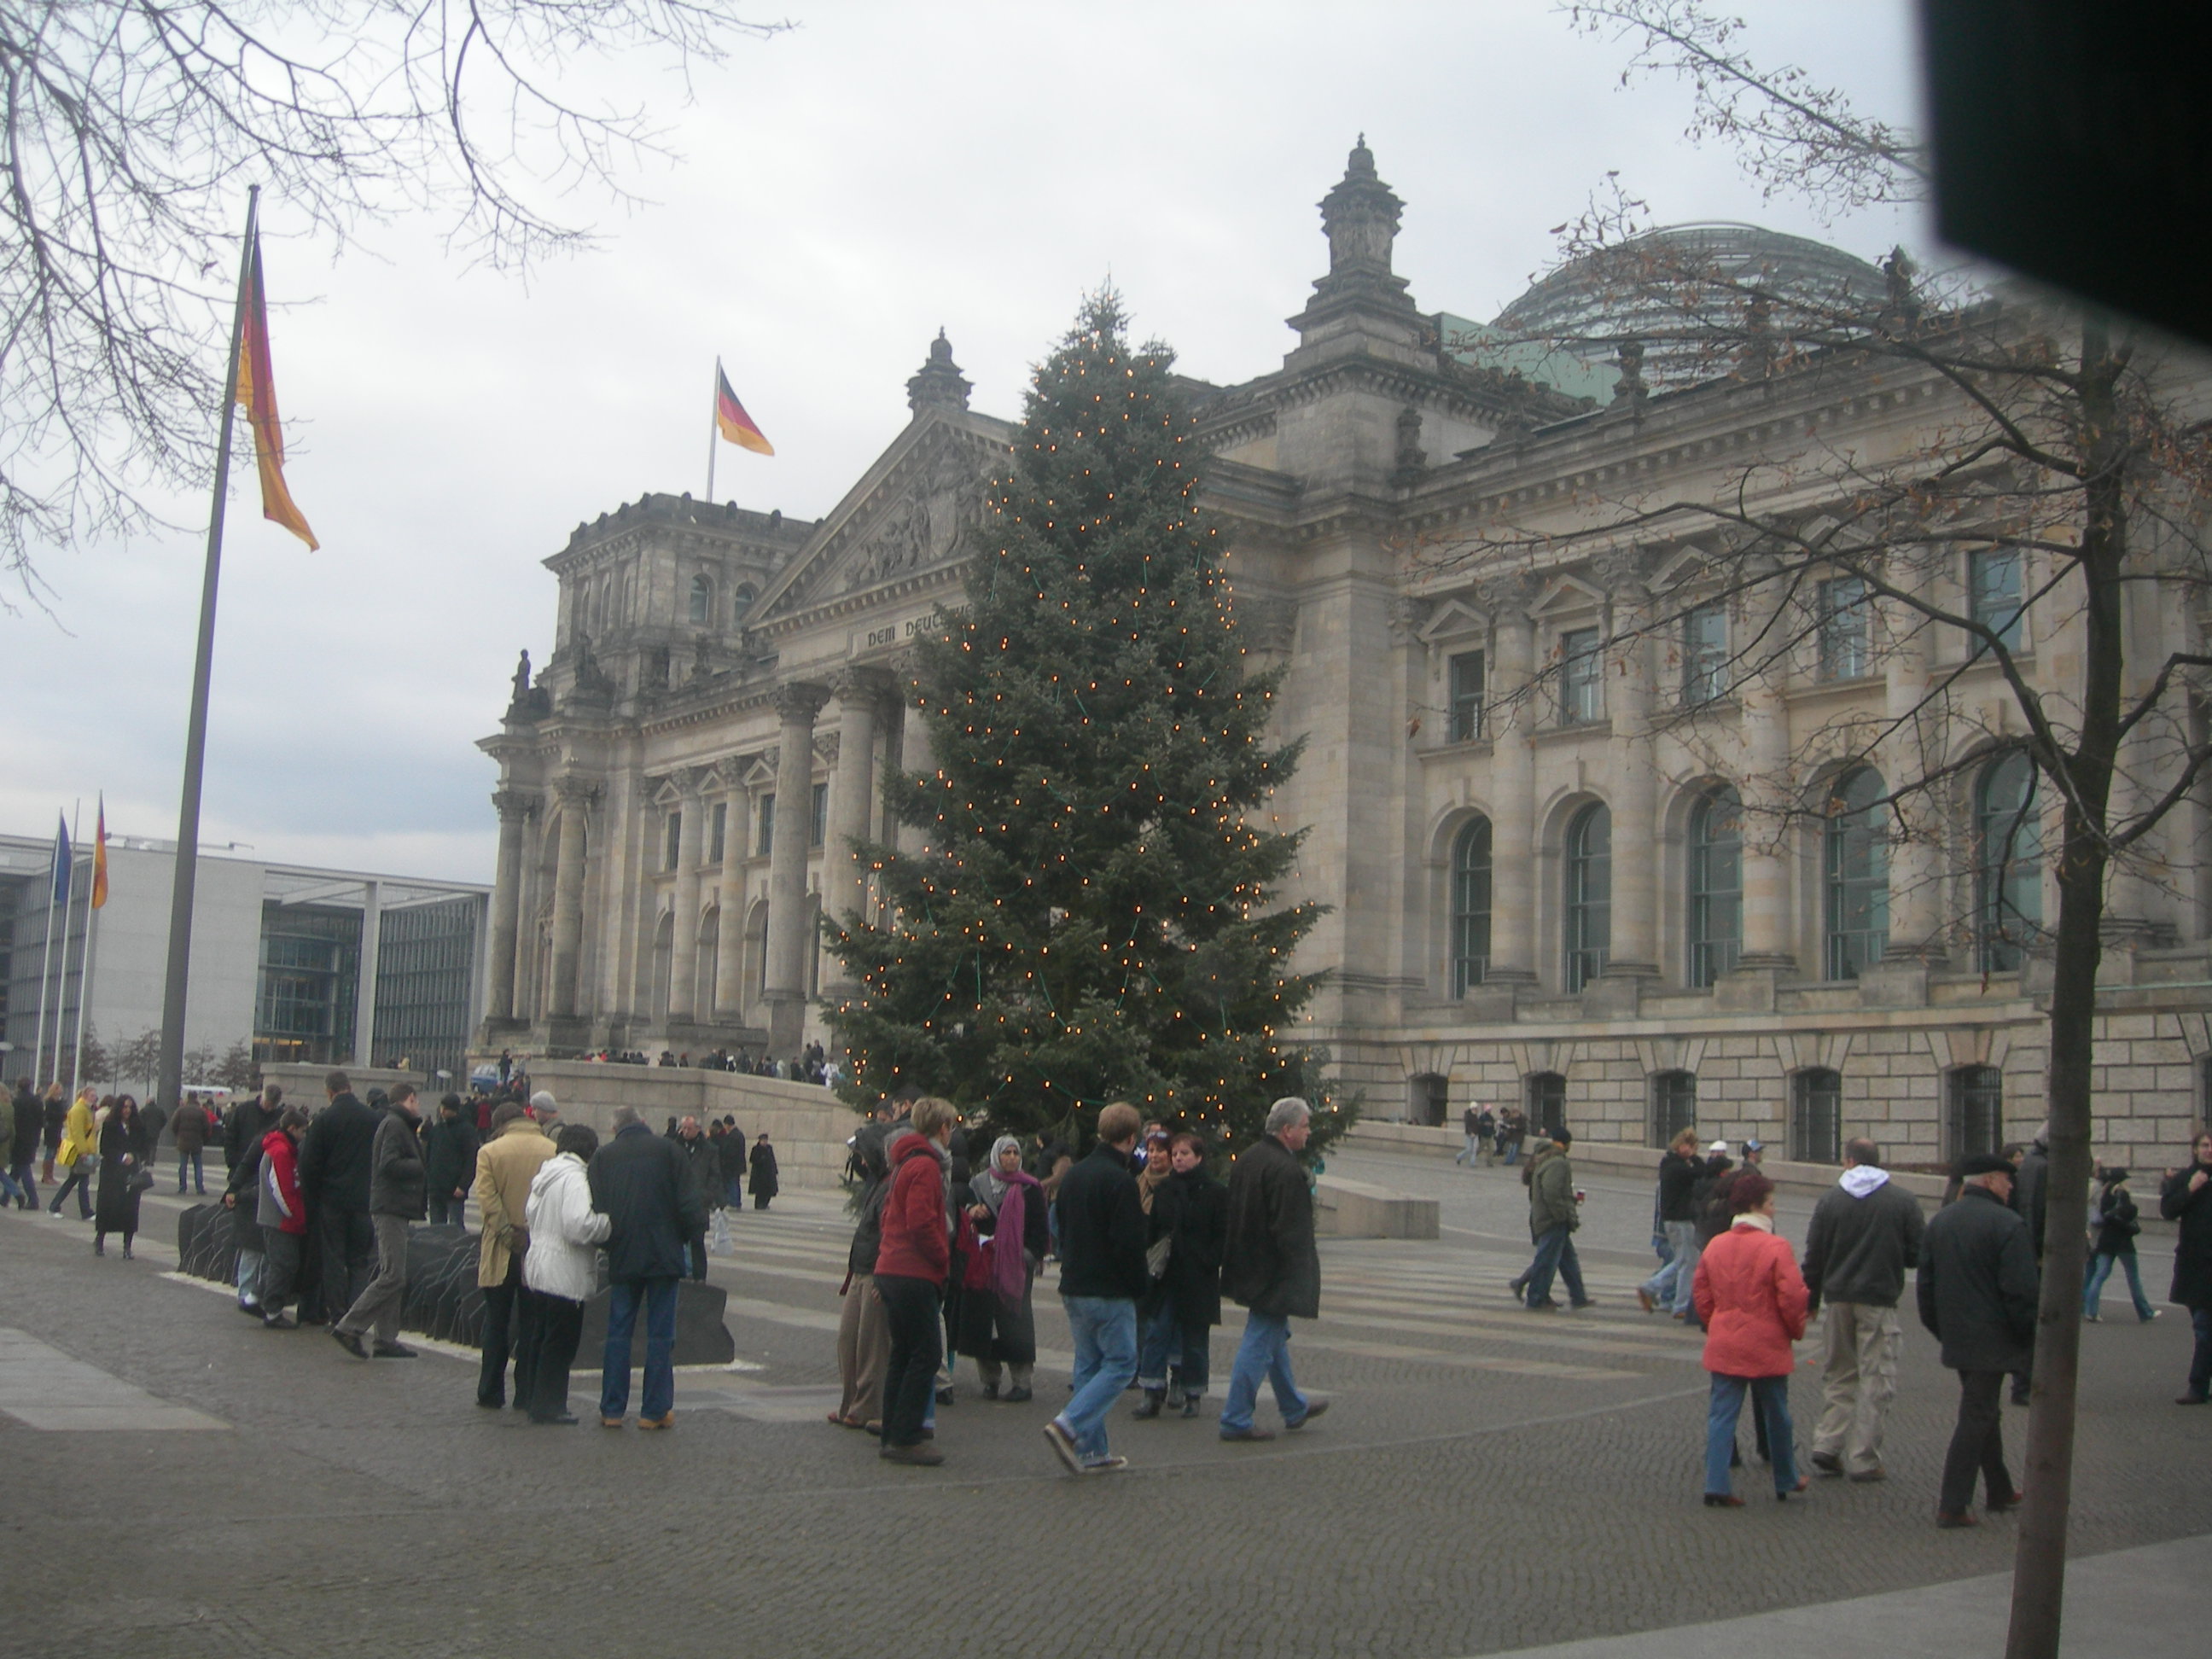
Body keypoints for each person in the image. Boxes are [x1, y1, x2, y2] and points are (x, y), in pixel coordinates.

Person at [1918, 1152, 2038, 1527]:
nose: (2011, 1186)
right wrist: (2025, 1338)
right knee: (1976, 1415)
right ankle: (1953, 1504)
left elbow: (1925, 1288)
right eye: (2006, 1178)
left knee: (1984, 1410)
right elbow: (2021, 1292)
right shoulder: (2008, 1224)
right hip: (1995, 1337)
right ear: (1989, 1180)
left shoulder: (1941, 1221)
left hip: (1957, 1336)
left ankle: (2000, 1489)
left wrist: (1943, 1330)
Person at [1800, 1138, 1924, 1482]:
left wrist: (1811, 1300)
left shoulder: (1830, 1200)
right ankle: (1863, 1457)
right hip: (1878, 1298)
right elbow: (1918, 1253)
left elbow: (1814, 1255)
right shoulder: (1902, 1200)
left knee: (1839, 1372)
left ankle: (1828, 1442)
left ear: (1849, 1161)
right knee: (1876, 1377)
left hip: (1838, 1297)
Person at [1693, 1169, 1810, 1505]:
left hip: (1726, 1339)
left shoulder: (1716, 1244)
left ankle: (1716, 1484)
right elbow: (1792, 1296)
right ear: (1757, 1206)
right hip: (1766, 1340)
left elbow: (1701, 1291)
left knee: (1721, 1415)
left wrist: (1716, 1322)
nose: (1774, 1209)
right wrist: (1794, 1330)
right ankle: (1785, 1476)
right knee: (1777, 1414)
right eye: (1771, 1203)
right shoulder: (1776, 1247)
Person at [1045, 1101, 1149, 1475]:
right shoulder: (1120, 1181)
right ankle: (1069, 1424)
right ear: (1131, 1138)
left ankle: (1092, 1451)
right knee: (1121, 1364)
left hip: (1075, 1283)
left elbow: (1058, 1225)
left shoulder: (1075, 1175)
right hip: (1109, 1288)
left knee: (1088, 1366)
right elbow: (1128, 1243)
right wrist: (1140, 1285)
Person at [589, 1104, 707, 1429]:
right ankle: (653, 1411)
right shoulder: (669, 1151)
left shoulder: (603, 1157)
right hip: (664, 1253)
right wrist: (686, 1237)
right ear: (643, 1122)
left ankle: (612, 1410)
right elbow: (689, 1202)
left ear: (615, 1129)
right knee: (660, 1334)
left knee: (618, 1332)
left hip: (624, 1253)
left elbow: (598, 1209)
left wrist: (611, 1245)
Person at [1219, 1097, 1328, 1442]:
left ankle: (1293, 1406)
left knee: (1273, 1338)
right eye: (1305, 1126)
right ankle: (1236, 1417)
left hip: (1248, 1262)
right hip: (1273, 1271)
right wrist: (1299, 1275)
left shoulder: (1249, 1158)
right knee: (1260, 1340)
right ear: (1287, 1130)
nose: (1308, 1132)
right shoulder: (1286, 1171)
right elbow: (1291, 1231)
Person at [875, 1097, 958, 1466]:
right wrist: (942, 1257)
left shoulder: (904, 1162)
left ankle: (893, 1431)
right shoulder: (925, 1166)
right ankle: (906, 1437)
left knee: (903, 1353)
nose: (951, 1133)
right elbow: (922, 1222)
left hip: (892, 1267)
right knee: (926, 1354)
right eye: (951, 1126)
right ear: (942, 1128)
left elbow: (888, 1216)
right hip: (913, 1271)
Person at [521, 1124, 610, 1424]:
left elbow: (530, 1215)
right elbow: (578, 1225)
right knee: (560, 1342)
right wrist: (607, 1224)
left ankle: (532, 1397)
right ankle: (550, 1405)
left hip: (539, 1264)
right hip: (564, 1269)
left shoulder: (546, 1175)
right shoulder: (575, 1179)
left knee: (540, 1336)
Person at [1136, 1130, 1227, 1418]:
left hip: (1198, 1277)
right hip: (1166, 1275)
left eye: (1184, 1154)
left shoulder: (1215, 1192)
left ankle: (1192, 1393)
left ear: (1198, 1157)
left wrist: (1207, 1260)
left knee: (1195, 1340)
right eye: (1175, 1154)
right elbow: (1153, 1231)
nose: (1178, 1159)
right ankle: (1152, 1391)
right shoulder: (1165, 1189)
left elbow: (1222, 1236)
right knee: (1156, 1332)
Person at [331, 1086, 427, 1359]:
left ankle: (385, 1339)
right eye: (416, 1101)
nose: (418, 1106)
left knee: (393, 1274)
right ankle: (349, 1327)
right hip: (390, 1207)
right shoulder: (395, 1125)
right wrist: (419, 1164)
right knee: (393, 1275)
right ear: (409, 1099)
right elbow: (389, 1164)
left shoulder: (398, 1124)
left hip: (394, 1206)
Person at [474, 1100, 556, 1409]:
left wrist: (508, 1233)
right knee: (532, 1324)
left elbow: (488, 1202)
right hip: (538, 1248)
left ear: (500, 1125)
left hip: (500, 1249)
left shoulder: (489, 1152)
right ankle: (527, 1392)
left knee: (496, 1322)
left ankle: (490, 1391)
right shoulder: (553, 1150)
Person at [958, 1133, 1048, 1402]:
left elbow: (1040, 1232)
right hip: (983, 1263)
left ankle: (1022, 1382)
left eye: (1015, 1153)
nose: (1011, 1158)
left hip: (1015, 1267)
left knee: (1016, 1321)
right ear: (996, 1156)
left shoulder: (1030, 1188)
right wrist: (971, 1210)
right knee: (984, 1320)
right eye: (1006, 1153)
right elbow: (963, 1212)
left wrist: (1025, 1257)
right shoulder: (978, 1183)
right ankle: (990, 1380)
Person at [830, 1105, 901, 1432]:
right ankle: (850, 1402)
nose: (858, 1161)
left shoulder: (889, 1184)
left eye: (861, 1155)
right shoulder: (877, 1182)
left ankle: (867, 1407)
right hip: (860, 1268)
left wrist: (884, 1277)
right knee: (848, 1340)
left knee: (871, 1346)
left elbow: (890, 1233)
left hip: (876, 1271)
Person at [298, 1071, 380, 1321]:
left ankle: (337, 1314)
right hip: (364, 1199)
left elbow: (309, 1164)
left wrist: (314, 1196)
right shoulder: (373, 1118)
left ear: (329, 1092)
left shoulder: (324, 1119)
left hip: (332, 1200)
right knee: (359, 1261)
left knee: (333, 1258)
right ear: (350, 1087)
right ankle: (357, 1313)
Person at [1516, 1128, 1592, 1312]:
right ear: (1567, 1143)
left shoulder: (1545, 1157)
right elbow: (1551, 1191)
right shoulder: (1558, 1162)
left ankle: (1579, 1297)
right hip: (1552, 1220)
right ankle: (1535, 1299)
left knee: (1568, 1260)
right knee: (1546, 1261)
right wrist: (1561, 1215)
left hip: (1546, 1216)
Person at [2161, 1127, 2212, 1405]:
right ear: (2195, 1149)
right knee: (2202, 1326)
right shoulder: (2185, 1178)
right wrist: (2190, 1189)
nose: (2209, 1150)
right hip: (2195, 1265)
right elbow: (2168, 1210)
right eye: (2205, 1145)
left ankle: (2198, 1386)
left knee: (2204, 1329)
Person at [1638, 1127, 1707, 1318]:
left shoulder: (1669, 1163)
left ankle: (1652, 1288)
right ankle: (1679, 1305)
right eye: (1690, 1146)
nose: (1692, 1150)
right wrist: (1694, 1158)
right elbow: (1701, 1172)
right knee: (1688, 1263)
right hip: (1681, 1220)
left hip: (1674, 1221)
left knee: (1683, 1260)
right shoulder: (1677, 1168)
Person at [255, 1108, 311, 1328]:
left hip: (279, 1218)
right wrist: (296, 1216)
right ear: (292, 1128)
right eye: (302, 1131)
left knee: (278, 1263)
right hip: (280, 1219)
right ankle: (272, 1310)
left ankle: (255, 1298)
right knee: (284, 1264)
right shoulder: (280, 1152)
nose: (304, 1136)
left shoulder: (281, 1149)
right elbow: (282, 1190)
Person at [2082, 1167, 2158, 1324]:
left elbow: (2105, 1216)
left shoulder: (2105, 1194)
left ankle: (2090, 1311)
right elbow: (2127, 1213)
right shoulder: (2121, 1194)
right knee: (2133, 1277)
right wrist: (2133, 1211)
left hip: (2106, 1240)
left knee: (2099, 1275)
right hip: (2123, 1241)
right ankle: (2145, 1312)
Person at [91, 1095, 151, 1257]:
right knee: (107, 1206)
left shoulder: (138, 1126)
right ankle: (100, 1240)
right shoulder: (110, 1124)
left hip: (131, 1172)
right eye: (124, 1107)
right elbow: (104, 1148)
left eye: (130, 1107)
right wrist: (121, 1156)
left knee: (130, 1209)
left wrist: (136, 1155)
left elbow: (144, 1147)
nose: (127, 1110)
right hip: (112, 1171)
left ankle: (127, 1246)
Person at [422, 1093, 479, 1226]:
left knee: (455, 1227)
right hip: (436, 1188)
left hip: (455, 1189)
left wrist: (463, 1185)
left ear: (454, 1110)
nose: (442, 1111)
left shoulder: (467, 1130)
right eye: (442, 1108)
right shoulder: (436, 1130)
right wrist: (428, 1181)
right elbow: (428, 1157)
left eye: (445, 1109)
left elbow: (471, 1160)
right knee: (436, 1228)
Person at [670, 1115, 713, 1278]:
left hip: (698, 1204)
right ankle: (681, 1272)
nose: (686, 1132)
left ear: (698, 1129)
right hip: (678, 1203)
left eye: (689, 1128)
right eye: (683, 1128)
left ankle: (698, 1277)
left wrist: (707, 1196)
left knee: (697, 1242)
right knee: (677, 1241)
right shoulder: (674, 1147)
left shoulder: (709, 1149)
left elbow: (715, 1176)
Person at [49, 1086, 100, 1220]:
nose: (95, 1098)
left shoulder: (88, 1109)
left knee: (73, 1180)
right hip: (80, 1150)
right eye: (92, 1095)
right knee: (83, 1181)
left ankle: (54, 1206)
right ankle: (86, 1211)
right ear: (85, 1096)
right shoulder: (79, 1110)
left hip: (85, 1149)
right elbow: (78, 1132)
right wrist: (83, 1151)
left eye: (95, 1095)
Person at [171, 1092, 211, 1196]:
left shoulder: (181, 1110)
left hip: (183, 1141)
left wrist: (178, 1135)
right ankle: (199, 1188)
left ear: (187, 1098)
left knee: (183, 1165)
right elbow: (207, 1127)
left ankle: (182, 1188)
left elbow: (173, 1124)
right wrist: (204, 1138)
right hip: (197, 1141)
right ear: (196, 1098)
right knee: (198, 1165)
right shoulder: (201, 1111)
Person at [8, 1079, 39, 1208]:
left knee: (24, 1169)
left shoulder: (16, 1102)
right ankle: (5, 1197)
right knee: (16, 1171)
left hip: (18, 1140)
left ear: (18, 1087)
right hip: (31, 1139)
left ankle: (33, 1199)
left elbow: (13, 1122)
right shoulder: (37, 1101)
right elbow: (41, 1121)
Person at [717, 1117, 748, 1211]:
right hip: (736, 1165)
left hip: (732, 1165)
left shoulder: (734, 1135)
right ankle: (736, 1202)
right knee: (735, 1183)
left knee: (732, 1184)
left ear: (728, 1124)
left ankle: (734, 1203)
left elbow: (730, 1151)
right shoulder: (739, 1134)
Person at [41, 1083, 67, 1185]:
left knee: (53, 1153)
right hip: (51, 1129)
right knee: (50, 1152)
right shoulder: (49, 1101)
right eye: (59, 1089)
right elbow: (49, 1115)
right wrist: (61, 1115)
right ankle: (46, 1175)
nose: (61, 1090)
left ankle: (50, 1175)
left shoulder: (60, 1101)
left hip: (57, 1128)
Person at [748, 1132, 779, 1211]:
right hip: (759, 1174)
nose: (764, 1142)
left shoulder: (769, 1148)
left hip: (768, 1173)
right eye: (763, 1140)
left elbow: (772, 1159)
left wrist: (775, 1170)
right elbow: (752, 1159)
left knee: (769, 1191)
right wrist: (761, 1159)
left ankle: (765, 1204)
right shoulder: (756, 1149)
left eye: (765, 1140)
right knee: (759, 1191)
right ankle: (759, 1205)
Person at [1455, 1103, 1482, 1167]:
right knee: (1469, 1149)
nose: (1476, 1110)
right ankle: (1459, 1156)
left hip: (1476, 1134)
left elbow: (1477, 1125)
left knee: (1474, 1149)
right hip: (1469, 1135)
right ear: (1471, 1108)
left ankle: (1472, 1163)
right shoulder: (1468, 1116)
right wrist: (1471, 1132)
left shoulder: (1476, 1116)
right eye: (1474, 1108)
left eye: (1476, 1108)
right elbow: (1467, 1125)